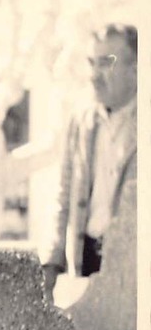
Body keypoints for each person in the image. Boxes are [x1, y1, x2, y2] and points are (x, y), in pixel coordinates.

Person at [41, 23, 137, 299]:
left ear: (136, 69)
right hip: (86, 265)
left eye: (106, 63)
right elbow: (64, 194)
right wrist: (52, 261)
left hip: (136, 270)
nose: (94, 75)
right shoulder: (81, 122)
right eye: (91, 63)